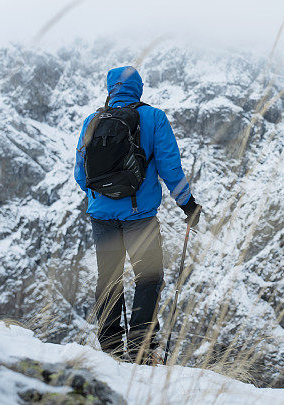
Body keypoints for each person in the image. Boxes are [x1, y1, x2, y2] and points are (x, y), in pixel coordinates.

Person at [74, 65, 201, 363]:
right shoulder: (154, 118)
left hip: (101, 216)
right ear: (139, 88)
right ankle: (141, 346)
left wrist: (104, 196)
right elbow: (171, 169)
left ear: (110, 88)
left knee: (108, 278)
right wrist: (189, 206)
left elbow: (81, 175)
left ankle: (109, 346)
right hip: (140, 216)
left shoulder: (92, 121)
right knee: (148, 277)